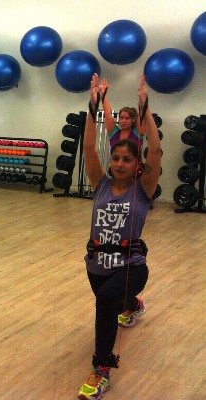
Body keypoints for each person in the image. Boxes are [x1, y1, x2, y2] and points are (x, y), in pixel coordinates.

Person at [77, 74, 161, 400]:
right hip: (97, 263)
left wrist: (145, 108)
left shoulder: (143, 191)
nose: (120, 163)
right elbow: (87, 146)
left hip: (131, 265)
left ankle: (102, 369)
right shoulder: (99, 183)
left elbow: (155, 150)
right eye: (116, 158)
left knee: (105, 301)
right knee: (113, 301)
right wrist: (92, 106)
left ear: (136, 165)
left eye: (127, 159)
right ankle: (135, 305)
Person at [99, 77, 144, 150]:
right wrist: (103, 94)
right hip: (115, 161)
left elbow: (142, 114)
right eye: (121, 117)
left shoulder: (137, 133)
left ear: (133, 120)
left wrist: (141, 98)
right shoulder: (114, 132)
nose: (124, 120)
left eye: (127, 118)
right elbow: (108, 113)